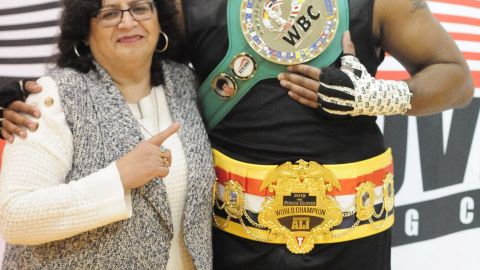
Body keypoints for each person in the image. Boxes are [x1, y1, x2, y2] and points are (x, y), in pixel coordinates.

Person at [0, 0, 474, 269]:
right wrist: (24, 96)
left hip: (353, 233)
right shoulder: (189, 4)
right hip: (235, 239)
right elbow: (123, 56)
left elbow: (455, 76)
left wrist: (377, 98)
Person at [0, 0, 215, 269]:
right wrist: (118, 178)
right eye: (109, 13)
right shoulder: (54, 96)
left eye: (139, 8)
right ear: (84, 31)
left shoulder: (187, 83)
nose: (127, 22)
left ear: (160, 19)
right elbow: (14, 216)